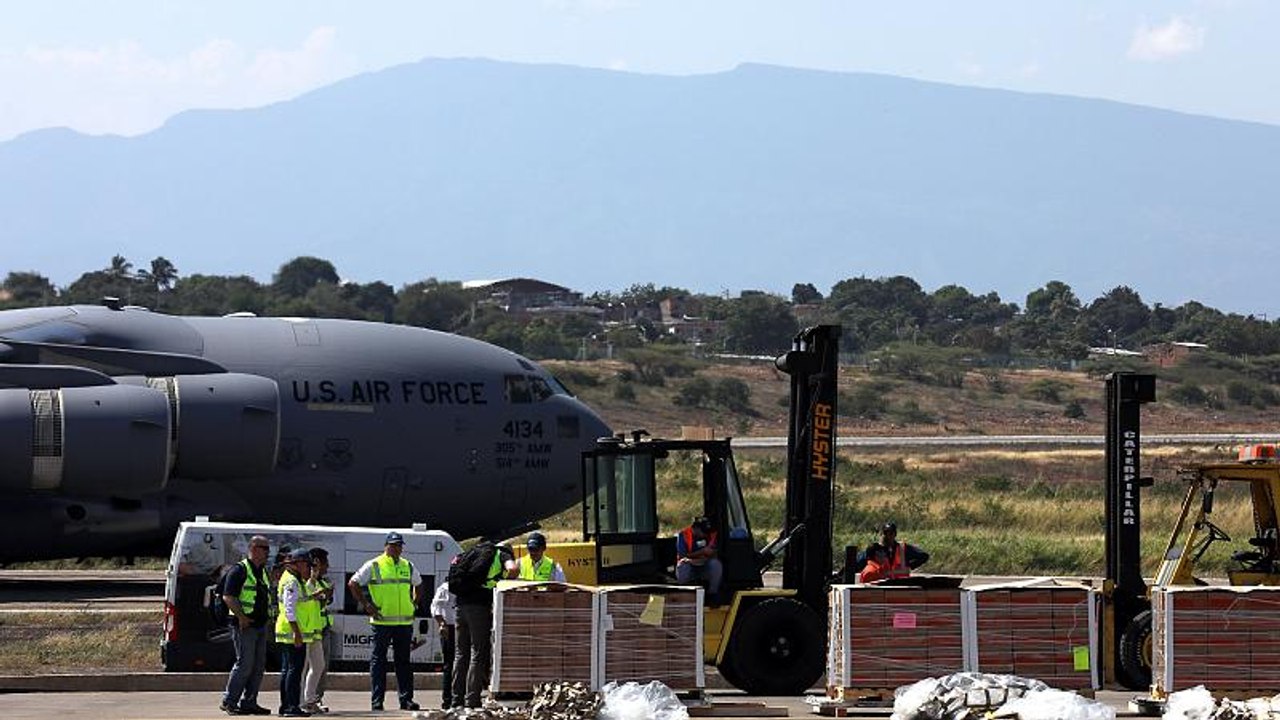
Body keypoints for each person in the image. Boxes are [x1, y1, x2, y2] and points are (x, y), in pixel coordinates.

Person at [347, 532, 424, 712]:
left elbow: (419, 585)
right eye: (394, 545)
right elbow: (353, 583)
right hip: (381, 623)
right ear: (386, 546)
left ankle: (406, 700)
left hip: (404, 623)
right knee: (378, 662)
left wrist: (414, 603)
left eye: (399, 545)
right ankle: (377, 701)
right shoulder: (374, 565)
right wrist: (367, 604)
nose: (397, 548)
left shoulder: (408, 565)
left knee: (403, 662)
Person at [451, 543, 518, 709]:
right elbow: (513, 569)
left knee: (460, 654)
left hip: (460, 606)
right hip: (478, 607)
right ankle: (472, 700)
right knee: (478, 653)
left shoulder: (472, 552)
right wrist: (503, 585)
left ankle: (455, 699)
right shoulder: (502, 554)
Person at [220, 535, 272, 716]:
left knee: (258, 666)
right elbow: (228, 596)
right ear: (254, 548)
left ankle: (249, 702)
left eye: (268, 548)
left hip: (260, 625)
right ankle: (229, 701)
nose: (268, 552)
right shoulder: (239, 570)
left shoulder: (263, 571)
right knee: (244, 664)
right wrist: (242, 617)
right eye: (264, 548)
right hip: (244, 626)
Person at [275, 548, 317, 717]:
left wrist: (312, 579)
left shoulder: (293, 579)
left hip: (289, 632)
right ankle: (291, 706)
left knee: (288, 670)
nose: (308, 569)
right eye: (307, 565)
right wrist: (297, 633)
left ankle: (286, 706)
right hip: (292, 633)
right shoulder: (292, 582)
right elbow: (290, 610)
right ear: (299, 564)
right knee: (294, 671)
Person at [302, 547, 334, 715]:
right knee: (307, 667)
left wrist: (326, 595)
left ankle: (312, 699)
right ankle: (305, 700)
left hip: (320, 629)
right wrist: (320, 593)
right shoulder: (305, 581)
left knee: (320, 666)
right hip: (307, 629)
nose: (327, 567)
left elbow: (321, 603)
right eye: (325, 563)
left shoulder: (322, 581)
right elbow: (306, 599)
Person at [858, 521, 929, 583]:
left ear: (895, 534)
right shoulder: (874, 549)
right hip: (882, 587)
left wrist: (910, 565)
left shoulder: (903, 549)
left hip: (901, 588)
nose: (888, 536)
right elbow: (858, 563)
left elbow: (924, 556)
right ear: (881, 534)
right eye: (885, 533)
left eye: (891, 533)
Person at [676, 516, 723, 596]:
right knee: (683, 566)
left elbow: (715, 553)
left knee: (716, 564)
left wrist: (709, 554)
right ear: (696, 529)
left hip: (704, 565)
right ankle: (684, 594)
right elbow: (682, 556)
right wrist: (702, 552)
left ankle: (712, 594)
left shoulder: (710, 535)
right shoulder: (684, 535)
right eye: (703, 532)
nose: (705, 535)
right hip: (690, 566)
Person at [429, 580, 457, 709]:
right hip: (449, 628)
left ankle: (459, 696)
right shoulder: (445, 588)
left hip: (462, 627)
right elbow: (436, 607)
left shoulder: (465, 586)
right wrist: (442, 624)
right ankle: (447, 700)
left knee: (462, 664)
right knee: (449, 664)